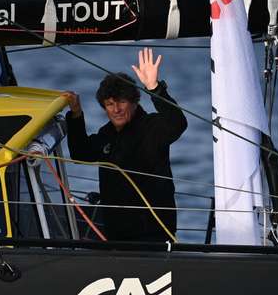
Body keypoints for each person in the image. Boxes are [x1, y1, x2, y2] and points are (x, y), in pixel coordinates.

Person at [63, 48, 187, 242]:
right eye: (110, 104)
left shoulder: (152, 127)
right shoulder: (107, 133)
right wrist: (76, 115)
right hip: (116, 234)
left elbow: (178, 124)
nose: (116, 109)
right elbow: (81, 153)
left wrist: (155, 88)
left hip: (152, 234)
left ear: (134, 102)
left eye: (121, 102)